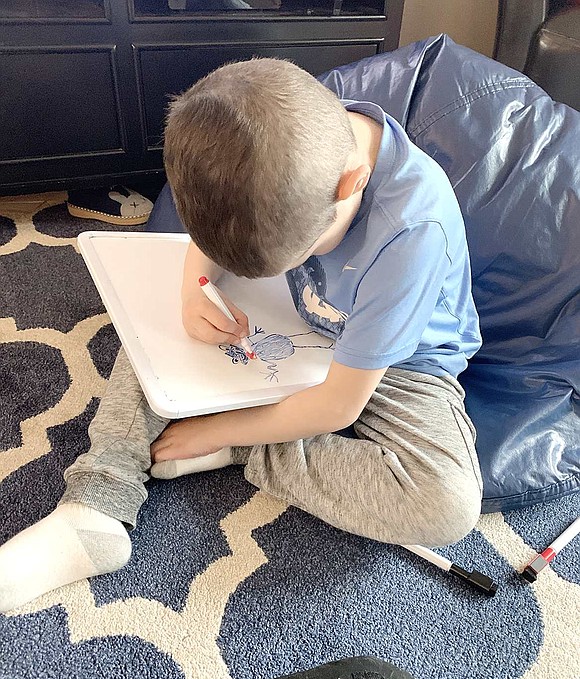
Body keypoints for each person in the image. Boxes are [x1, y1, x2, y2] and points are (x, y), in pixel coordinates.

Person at [0, 58, 482, 614]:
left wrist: (217, 431)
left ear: (351, 184)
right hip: (293, 308)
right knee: (149, 328)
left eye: (303, 247)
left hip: (400, 365)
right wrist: (194, 289)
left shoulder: (412, 231)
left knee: (446, 504)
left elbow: (337, 409)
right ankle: (95, 506)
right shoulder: (283, 143)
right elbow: (212, 235)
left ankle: (248, 449)